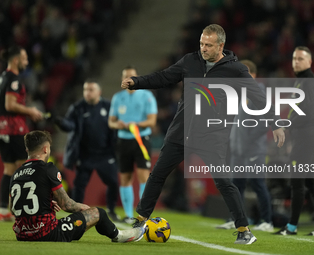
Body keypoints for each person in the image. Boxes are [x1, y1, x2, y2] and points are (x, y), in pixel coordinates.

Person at [121, 24, 285, 244]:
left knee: (224, 183)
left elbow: (259, 98)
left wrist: (275, 123)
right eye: (201, 44)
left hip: (212, 136)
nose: (203, 48)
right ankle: (139, 222)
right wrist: (137, 82)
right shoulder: (190, 61)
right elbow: (164, 77)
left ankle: (244, 230)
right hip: (181, 132)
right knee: (157, 175)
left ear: (221, 45)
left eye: (208, 45)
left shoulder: (236, 70)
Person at [9, 130, 144, 242]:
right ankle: (119, 236)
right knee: (99, 213)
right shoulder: (48, 168)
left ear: (27, 149)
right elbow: (67, 205)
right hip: (47, 233)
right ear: (45, 149)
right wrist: (85, 209)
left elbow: (13, 208)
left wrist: (46, 202)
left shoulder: (16, 174)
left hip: (21, 235)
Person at [275, 46, 314, 236]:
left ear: (309, 62)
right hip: (306, 137)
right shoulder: (302, 81)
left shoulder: (308, 83)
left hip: (307, 139)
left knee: (297, 183)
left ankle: (291, 227)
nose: (296, 62)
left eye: (300, 58)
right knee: (312, 183)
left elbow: (304, 113)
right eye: (294, 58)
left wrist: (285, 126)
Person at [216, 60, 273, 232]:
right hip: (238, 149)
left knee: (257, 184)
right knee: (236, 185)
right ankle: (235, 219)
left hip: (254, 148)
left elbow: (264, 123)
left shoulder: (259, 93)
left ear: (252, 74)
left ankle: (267, 221)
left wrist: (247, 140)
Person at [55, 80, 120, 221]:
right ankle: (77, 212)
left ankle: (112, 210)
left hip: (105, 154)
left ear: (99, 92)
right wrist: (60, 121)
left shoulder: (108, 106)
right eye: (85, 89)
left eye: (91, 89)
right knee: (79, 185)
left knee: (113, 182)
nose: (87, 92)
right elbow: (69, 125)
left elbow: (116, 127)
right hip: (84, 155)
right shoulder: (77, 108)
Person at [0, 46, 43, 221]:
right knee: (25, 169)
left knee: (9, 169)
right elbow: (9, 104)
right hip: (15, 129)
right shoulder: (14, 79)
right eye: (24, 58)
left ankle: (3, 210)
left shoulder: (1, 78)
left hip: (1, 128)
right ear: (16, 60)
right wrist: (30, 110)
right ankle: (23, 211)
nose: (27, 61)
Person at [109, 66, 157, 223]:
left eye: (131, 76)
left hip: (141, 139)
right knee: (125, 178)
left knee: (144, 176)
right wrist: (119, 125)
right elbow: (111, 122)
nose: (128, 79)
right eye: (125, 76)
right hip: (123, 140)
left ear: (137, 78)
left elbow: (152, 121)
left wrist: (135, 124)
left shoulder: (147, 96)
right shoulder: (118, 98)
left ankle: (143, 214)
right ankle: (129, 215)